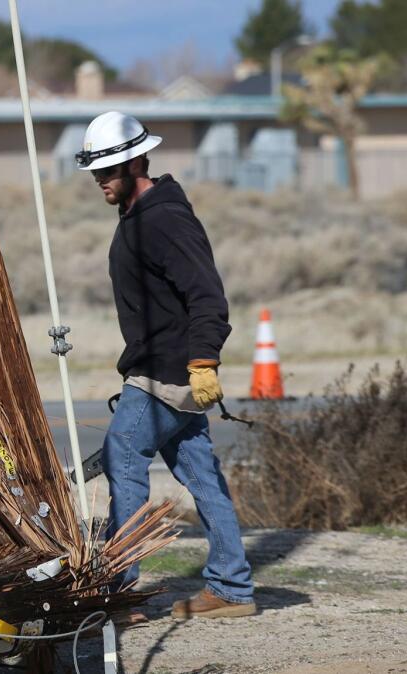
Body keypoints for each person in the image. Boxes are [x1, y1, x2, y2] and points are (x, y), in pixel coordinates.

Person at [77, 111, 256, 619]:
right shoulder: (141, 214)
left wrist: (203, 359)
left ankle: (121, 594)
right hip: (165, 369)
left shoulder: (164, 218)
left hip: (167, 372)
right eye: (96, 173)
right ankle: (232, 588)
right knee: (203, 476)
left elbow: (207, 295)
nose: (100, 182)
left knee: (124, 460)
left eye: (107, 172)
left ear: (136, 162)